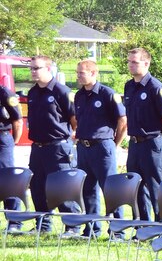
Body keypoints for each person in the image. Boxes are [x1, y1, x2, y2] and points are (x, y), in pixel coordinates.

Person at [71, 59, 127, 238]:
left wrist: (114, 144)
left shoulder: (107, 94)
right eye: (77, 72)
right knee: (87, 189)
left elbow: (122, 121)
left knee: (110, 190)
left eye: (82, 73)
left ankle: (117, 232)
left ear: (94, 73)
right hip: (84, 148)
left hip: (102, 147)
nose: (78, 76)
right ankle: (92, 230)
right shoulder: (79, 96)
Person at [23, 55, 79, 233]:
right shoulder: (33, 92)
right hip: (38, 147)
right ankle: (43, 225)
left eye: (36, 68)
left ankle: (72, 226)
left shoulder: (61, 91)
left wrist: (71, 140)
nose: (32, 71)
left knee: (62, 187)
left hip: (58, 146)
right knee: (37, 187)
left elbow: (74, 119)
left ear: (48, 69)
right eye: (31, 68)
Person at [123, 47, 162, 221]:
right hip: (135, 143)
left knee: (157, 188)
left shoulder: (156, 87)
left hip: (153, 142)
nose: (130, 65)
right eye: (129, 61)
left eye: (134, 62)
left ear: (146, 63)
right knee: (135, 187)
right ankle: (142, 226)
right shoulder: (129, 86)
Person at [1, 81, 24, 230]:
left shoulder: (4, 93)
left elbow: (17, 121)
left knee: (7, 179)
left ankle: (14, 222)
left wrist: (13, 142)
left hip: (1, 138)